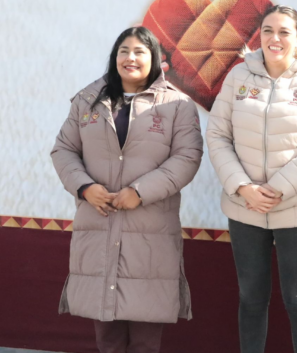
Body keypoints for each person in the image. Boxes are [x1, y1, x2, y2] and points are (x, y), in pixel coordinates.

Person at [51, 27, 203, 353]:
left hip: (150, 234)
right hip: (98, 228)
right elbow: (63, 150)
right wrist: (84, 187)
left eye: (139, 52)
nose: (130, 58)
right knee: (107, 337)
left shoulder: (178, 105)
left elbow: (188, 158)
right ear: (114, 56)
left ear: (156, 60)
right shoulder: (87, 100)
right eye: (123, 51)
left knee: (146, 338)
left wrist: (140, 191)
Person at [206, 5, 297, 353]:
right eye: (268, 31)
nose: (274, 38)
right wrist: (243, 188)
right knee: (251, 297)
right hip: (244, 206)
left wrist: (277, 189)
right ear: (259, 36)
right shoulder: (239, 76)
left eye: (283, 32)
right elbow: (218, 135)